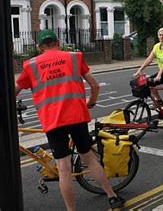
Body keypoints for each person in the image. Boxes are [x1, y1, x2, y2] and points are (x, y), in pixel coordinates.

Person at [15, 30, 124, 210]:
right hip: (77, 116)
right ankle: (112, 196)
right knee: (89, 158)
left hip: (53, 121)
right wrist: (91, 102)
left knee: (63, 168)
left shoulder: (31, 65)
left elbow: (15, 90)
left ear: (39, 47)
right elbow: (95, 85)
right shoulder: (74, 58)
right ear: (58, 42)